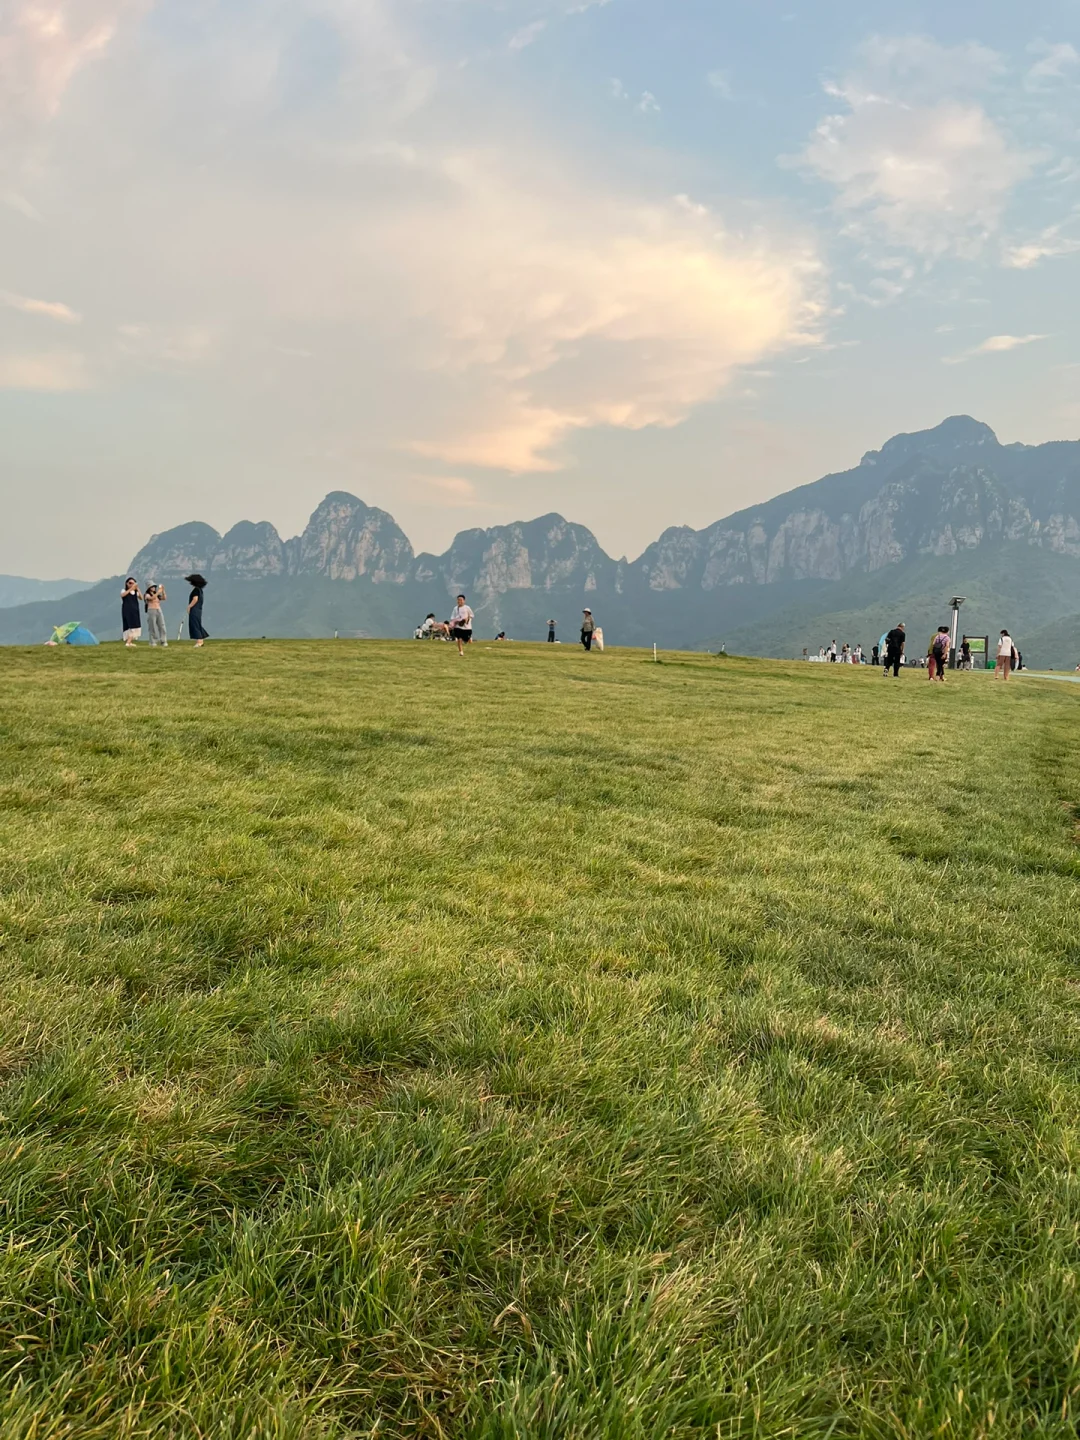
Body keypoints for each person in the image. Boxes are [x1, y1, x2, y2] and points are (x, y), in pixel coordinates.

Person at [185, 574, 209, 647]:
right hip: (198, 610)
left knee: (194, 624)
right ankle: (201, 640)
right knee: (197, 624)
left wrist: (189, 606)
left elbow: (195, 599)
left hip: (194, 609)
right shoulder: (200, 590)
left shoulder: (196, 590)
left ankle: (199, 642)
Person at [121, 578, 143, 646]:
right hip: (127, 611)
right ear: (126, 583)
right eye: (130, 583)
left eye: (133, 583)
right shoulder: (124, 590)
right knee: (130, 626)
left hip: (135, 610)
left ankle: (129, 642)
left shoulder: (135, 592)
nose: (131, 584)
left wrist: (137, 588)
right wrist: (131, 589)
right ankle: (128, 642)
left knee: (135, 625)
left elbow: (141, 598)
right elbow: (122, 595)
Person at [145, 583, 168, 647]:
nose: (154, 588)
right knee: (152, 626)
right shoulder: (147, 594)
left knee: (162, 625)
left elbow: (164, 598)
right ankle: (153, 641)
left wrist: (163, 591)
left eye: (154, 586)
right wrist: (158, 592)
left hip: (158, 609)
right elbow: (151, 598)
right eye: (152, 587)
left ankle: (163, 641)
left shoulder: (157, 595)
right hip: (151, 610)